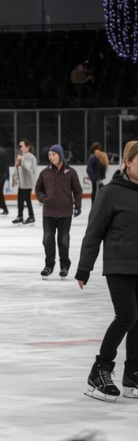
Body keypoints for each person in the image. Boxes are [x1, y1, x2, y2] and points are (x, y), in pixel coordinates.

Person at [76, 140, 138, 403]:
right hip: (119, 264)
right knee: (127, 316)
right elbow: (94, 231)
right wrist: (84, 267)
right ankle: (100, 370)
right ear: (127, 162)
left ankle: (132, 374)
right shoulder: (111, 192)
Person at [35, 144, 82, 279]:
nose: (51, 157)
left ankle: (64, 266)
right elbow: (38, 189)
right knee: (48, 239)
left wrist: (77, 205)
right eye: (49, 155)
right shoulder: (45, 173)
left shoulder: (71, 172)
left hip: (65, 212)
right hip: (48, 212)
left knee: (63, 240)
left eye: (53, 154)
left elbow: (77, 190)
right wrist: (44, 199)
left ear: (60, 155)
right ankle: (49, 266)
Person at [13, 139, 37, 225]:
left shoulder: (30, 157)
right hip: (22, 183)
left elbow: (29, 168)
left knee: (27, 199)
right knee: (20, 200)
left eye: (21, 146)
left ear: (27, 147)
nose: (20, 148)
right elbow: (18, 169)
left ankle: (31, 216)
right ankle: (20, 216)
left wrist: (22, 159)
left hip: (28, 182)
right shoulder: (22, 156)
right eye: (19, 146)